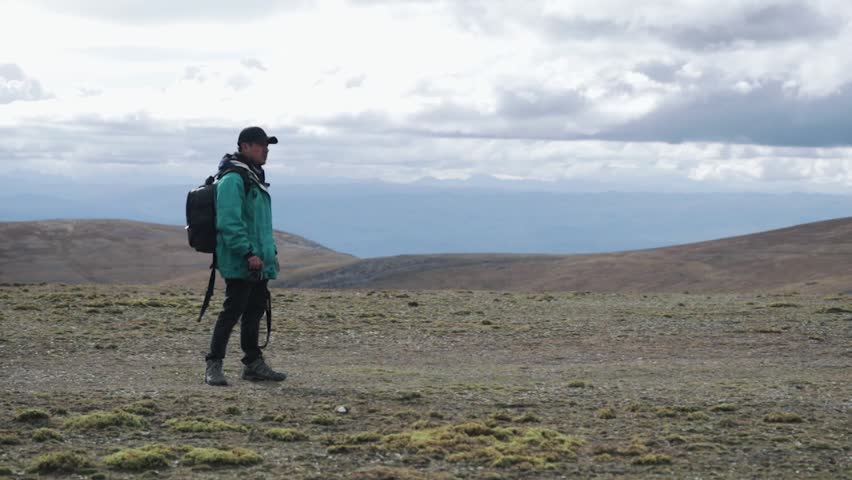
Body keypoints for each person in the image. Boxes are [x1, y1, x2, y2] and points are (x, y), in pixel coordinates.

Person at [204, 126, 288, 386]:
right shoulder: (233, 179)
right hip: (241, 259)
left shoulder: (253, 177)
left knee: (254, 311)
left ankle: (252, 364)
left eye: (267, 146)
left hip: (258, 260)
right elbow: (230, 223)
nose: (265, 150)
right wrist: (248, 253)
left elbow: (258, 224)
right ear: (244, 147)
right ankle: (213, 365)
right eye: (260, 145)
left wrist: (268, 253)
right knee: (233, 311)